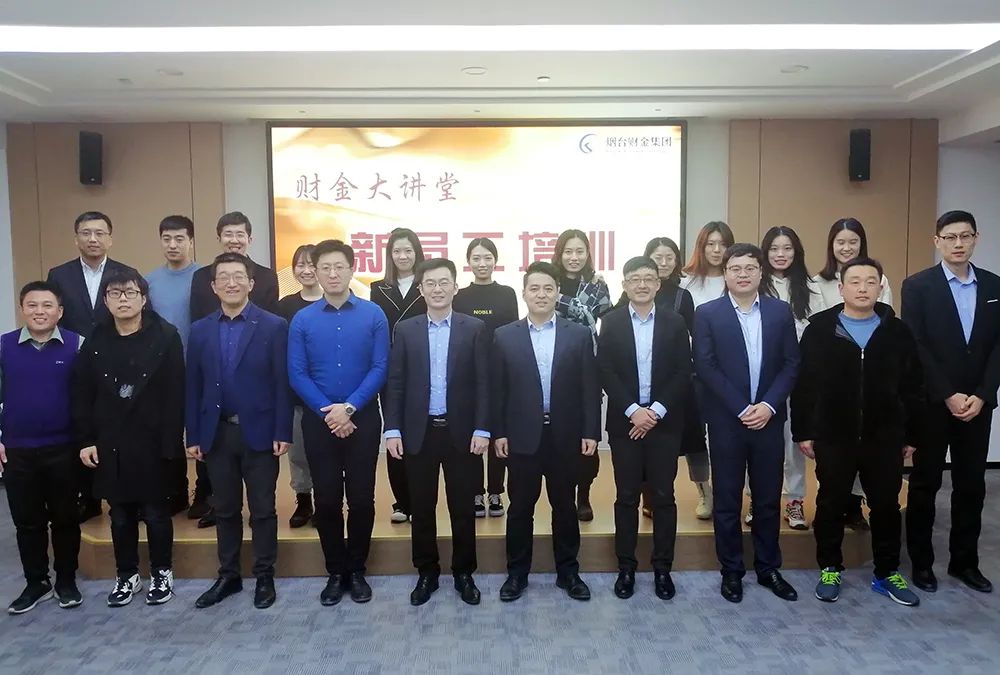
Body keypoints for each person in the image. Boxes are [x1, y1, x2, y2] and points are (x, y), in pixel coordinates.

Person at [793, 257, 924, 606]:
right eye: (855, 282)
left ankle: (887, 572)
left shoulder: (897, 332)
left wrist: (911, 435)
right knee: (831, 502)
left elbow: (913, 387)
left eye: (870, 282)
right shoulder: (820, 330)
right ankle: (830, 568)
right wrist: (804, 431)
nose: (863, 288)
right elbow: (804, 386)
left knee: (885, 505)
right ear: (841, 288)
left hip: (885, 436)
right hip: (834, 435)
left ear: (881, 287)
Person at [693, 243, 799, 604]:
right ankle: (732, 570)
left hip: (768, 420)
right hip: (727, 421)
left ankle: (768, 568)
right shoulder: (708, 313)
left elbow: (791, 363)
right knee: (727, 499)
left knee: (768, 498)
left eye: (749, 268)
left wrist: (768, 405)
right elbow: (705, 365)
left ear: (760, 272)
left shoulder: (779, 311)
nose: (742, 274)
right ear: (725, 274)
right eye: (735, 268)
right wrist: (741, 407)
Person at [72, 268, 185, 608]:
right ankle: (127, 574)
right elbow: (83, 393)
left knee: (156, 512)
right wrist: (86, 439)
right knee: (119, 514)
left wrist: (172, 441)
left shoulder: (166, 335)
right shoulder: (95, 341)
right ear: (105, 301)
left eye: (130, 292)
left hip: (153, 440)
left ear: (143, 298)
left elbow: (176, 392)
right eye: (115, 293)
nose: (123, 299)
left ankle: (162, 573)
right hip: (111, 439)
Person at [187, 253, 293, 610]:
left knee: (262, 509)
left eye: (238, 276)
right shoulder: (200, 330)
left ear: (251, 283)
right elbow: (193, 387)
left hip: (260, 432)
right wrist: (193, 435)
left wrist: (282, 430)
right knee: (225, 509)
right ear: (213, 286)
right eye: (223, 277)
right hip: (217, 434)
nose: (231, 283)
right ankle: (229, 575)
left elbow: (281, 383)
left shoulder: (274, 326)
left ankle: (264, 575)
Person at [903, 210, 1000, 594]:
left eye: (965, 236)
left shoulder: (994, 285)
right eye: (950, 237)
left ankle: (965, 563)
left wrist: (983, 394)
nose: (958, 244)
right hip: (933, 402)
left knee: (971, 485)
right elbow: (916, 345)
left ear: (976, 238)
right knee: (925, 483)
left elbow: (997, 347)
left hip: (978, 404)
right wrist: (947, 393)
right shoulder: (918, 286)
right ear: (937, 241)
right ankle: (922, 564)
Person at [288, 239, 390, 606]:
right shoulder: (302, 319)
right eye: (325, 268)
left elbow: (380, 367)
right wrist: (328, 411)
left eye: (339, 267)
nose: (332, 274)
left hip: (363, 419)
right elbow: (297, 373)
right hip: (319, 423)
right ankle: (335, 571)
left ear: (352, 269)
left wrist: (349, 407)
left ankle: (357, 569)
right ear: (315, 272)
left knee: (361, 499)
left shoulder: (373, 314)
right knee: (327, 500)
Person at [383, 258, 490, 606]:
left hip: (462, 434)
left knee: (463, 507)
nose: (438, 289)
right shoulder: (406, 330)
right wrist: (392, 429)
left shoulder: (474, 328)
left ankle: (464, 572)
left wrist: (483, 428)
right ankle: (426, 572)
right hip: (419, 433)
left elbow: (484, 383)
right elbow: (395, 383)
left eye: (444, 282)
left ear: (455, 287)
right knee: (422, 507)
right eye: (430, 283)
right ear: (421, 290)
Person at [493, 261, 601, 603]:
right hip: (521, 436)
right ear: (524, 293)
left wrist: (591, 431)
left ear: (558, 293)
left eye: (548, 289)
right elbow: (498, 390)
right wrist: (499, 432)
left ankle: (568, 572)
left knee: (565, 507)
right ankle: (516, 574)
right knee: (519, 508)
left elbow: (589, 387)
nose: (541, 294)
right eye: (534, 288)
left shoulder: (578, 334)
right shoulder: (504, 335)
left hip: (565, 435)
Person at [598, 257, 692, 600]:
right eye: (634, 279)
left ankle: (662, 568)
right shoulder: (610, 322)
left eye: (648, 278)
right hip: (626, 424)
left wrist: (655, 413)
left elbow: (683, 370)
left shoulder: (674, 322)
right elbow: (605, 370)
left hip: (664, 424)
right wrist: (634, 412)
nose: (641, 284)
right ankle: (626, 567)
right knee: (626, 496)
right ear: (624, 284)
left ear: (658, 284)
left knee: (664, 496)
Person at [188, 211, 280, 527]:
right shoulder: (201, 279)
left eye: (240, 234)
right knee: (225, 503)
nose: (234, 239)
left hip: (255, 390)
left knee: (263, 507)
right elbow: (194, 380)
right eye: (228, 233)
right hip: (215, 378)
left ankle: (263, 562)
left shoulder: (267, 279)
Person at [46, 210, 137, 523]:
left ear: (110, 238)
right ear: (77, 239)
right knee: (83, 423)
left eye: (100, 233)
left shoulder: (126, 272)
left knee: (120, 426)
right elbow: (56, 317)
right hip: (76, 363)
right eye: (86, 233)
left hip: (117, 361)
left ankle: (126, 495)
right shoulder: (59, 275)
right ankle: (88, 497)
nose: (93, 239)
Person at [1, 282, 84, 614]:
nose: (40, 311)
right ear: (22, 309)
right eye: (32, 305)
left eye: (47, 305)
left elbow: (88, 396)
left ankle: (66, 580)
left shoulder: (77, 345)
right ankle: (36, 582)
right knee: (27, 522)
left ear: (59, 312)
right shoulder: (4, 346)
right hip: (17, 449)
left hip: (64, 448)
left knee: (65, 519)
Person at [616, 237, 706, 521]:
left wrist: (656, 409)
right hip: (632, 404)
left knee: (677, 460)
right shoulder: (623, 307)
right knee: (630, 480)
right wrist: (636, 410)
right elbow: (610, 363)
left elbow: (687, 354)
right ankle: (647, 500)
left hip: (670, 396)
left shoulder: (681, 300)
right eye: (658, 257)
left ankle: (700, 493)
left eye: (670, 257)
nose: (664, 262)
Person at [814, 217, 894, 530]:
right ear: (831, 245)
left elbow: (885, 323)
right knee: (834, 467)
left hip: (871, 380)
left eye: (853, 242)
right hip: (833, 380)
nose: (846, 247)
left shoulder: (878, 279)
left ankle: (856, 503)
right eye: (841, 242)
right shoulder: (817, 282)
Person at [745, 226, 826, 531]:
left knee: (795, 441)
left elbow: (819, 333)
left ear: (797, 252)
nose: (781, 254)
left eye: (787, 248)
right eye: (774, 249)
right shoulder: (755, 284)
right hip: (763, 375)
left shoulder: (811, 287)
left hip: (799, 376)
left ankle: (794, 500)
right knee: (758, 439)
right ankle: (755, 498)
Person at [453, 237, 519, 518]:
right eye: (476, 258)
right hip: (469, 374)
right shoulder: (460, 296)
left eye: (487, 257)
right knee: (473, 433)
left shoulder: (507, 293)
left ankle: (495, 491)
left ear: (495, 260)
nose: (482, 263)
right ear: (469, 262)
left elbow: (514, 332)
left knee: (498, 433)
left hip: (501, 371)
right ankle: (475, 492)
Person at [551, 229, 611, 522]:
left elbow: (605, 322)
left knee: (587, 431)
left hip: (588, 362)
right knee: (558, 434)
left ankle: (583, 494)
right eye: (568, 251)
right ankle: (562, 493)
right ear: (559, 254)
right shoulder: (549, 282)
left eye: (579, 251)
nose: (574, 257)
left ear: (588, 254)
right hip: (554, 364)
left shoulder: (598, 286)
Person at [370, 228, 428, 524]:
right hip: (390, 368)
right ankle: (402, 502)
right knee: (394, 431)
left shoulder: (427, 284)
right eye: (397, 251)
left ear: (417, 253)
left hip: (423, 366)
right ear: (389, 255)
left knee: (420, 433)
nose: (403, 256)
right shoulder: (378, 288)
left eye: (408, 250)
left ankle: (419, 500)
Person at [145, 215, 202, 516]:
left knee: (202, 430)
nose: (173, 245)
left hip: (201, 366)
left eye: (180, 239)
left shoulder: (204, 277)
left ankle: (205, 493)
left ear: (191, 241)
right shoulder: (149, 281)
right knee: (168, 433)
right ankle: (175, 492)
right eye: (167, 239)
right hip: (163, 370)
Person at [680, 221, 735, 521]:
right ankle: (705, 491)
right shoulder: (685, 282)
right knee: (696, 437)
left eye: (723, 244)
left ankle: (731, 491)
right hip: (694, 372)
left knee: (728, 435)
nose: (716, 250)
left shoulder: (736, 277)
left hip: (732, 370)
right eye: (710, 244)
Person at [277, 244, 323, 528]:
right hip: (296, 393)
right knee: (299, 452)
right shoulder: (285, 306)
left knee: (325, 454)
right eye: (300, 265)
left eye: (311, 264)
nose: (306, 270)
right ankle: (304, 501)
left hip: (328, 395)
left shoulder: (333, 301)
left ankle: (326, 502)